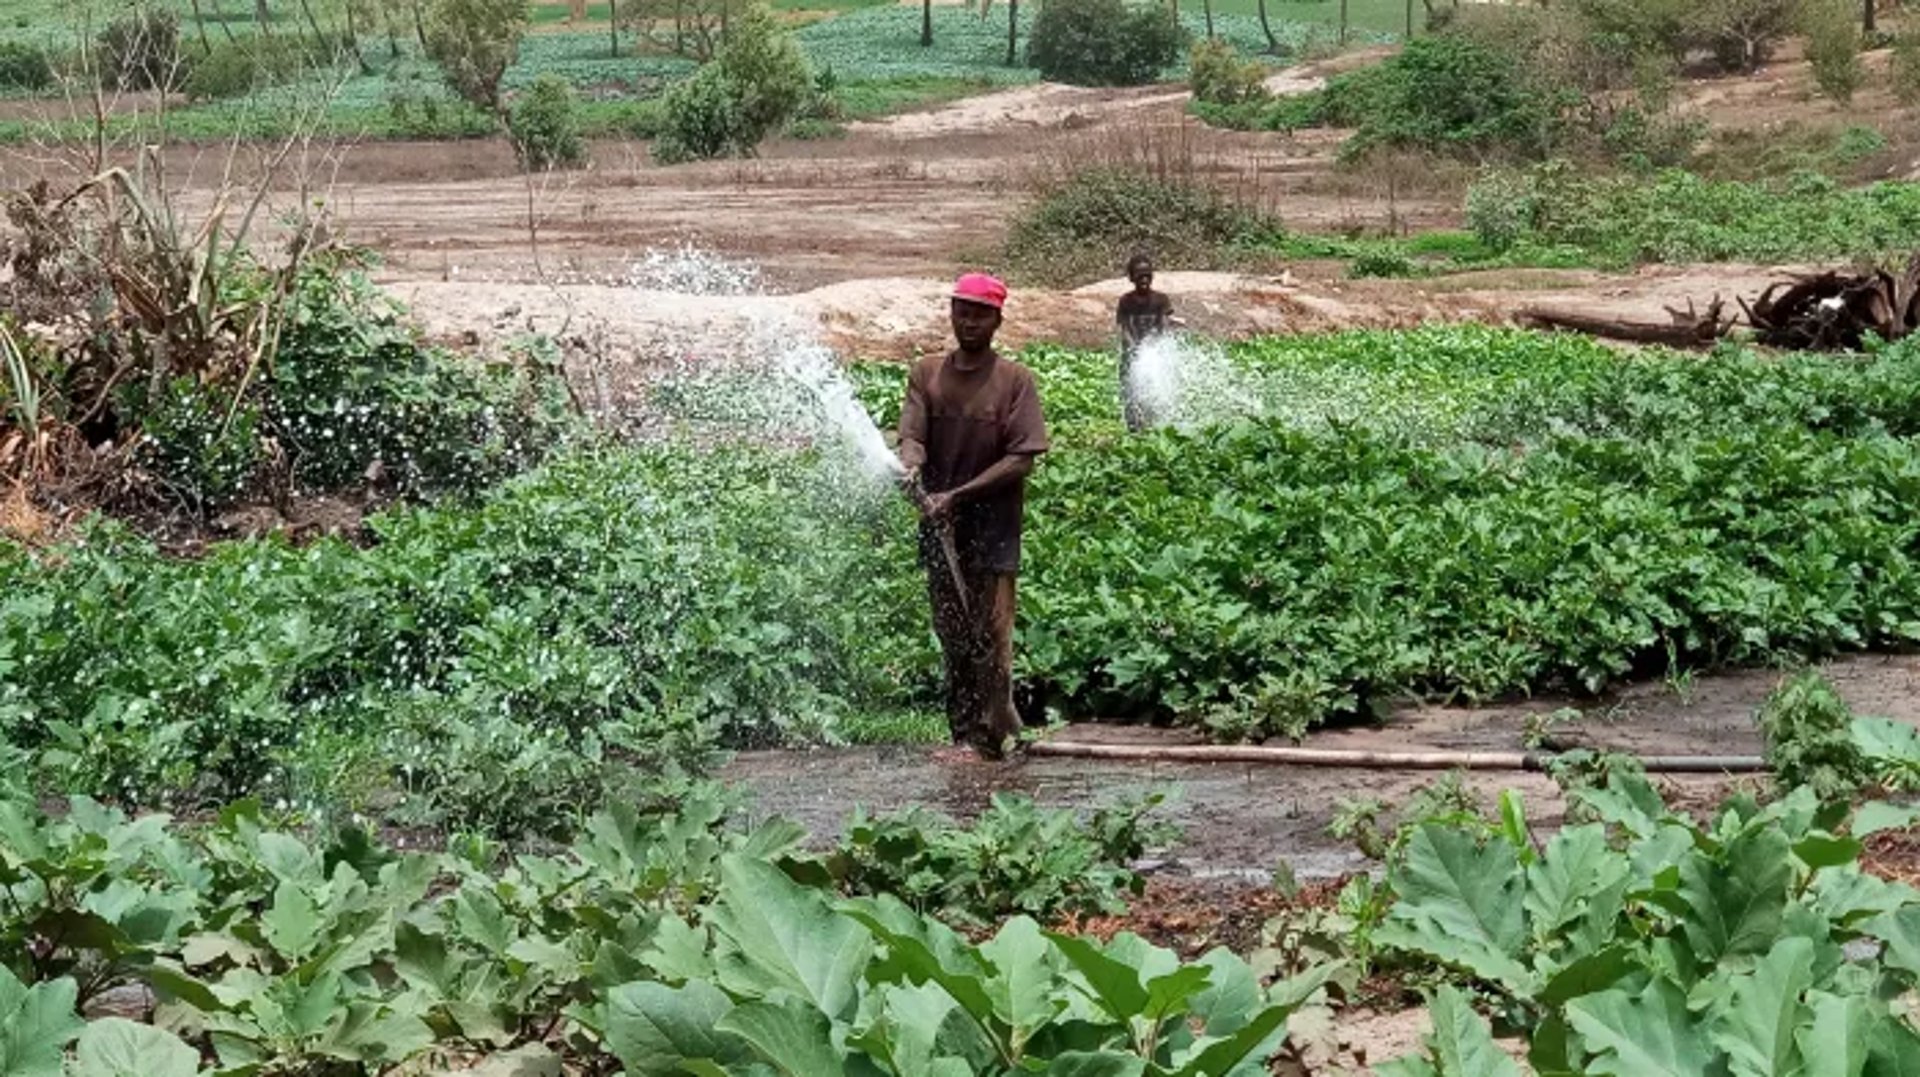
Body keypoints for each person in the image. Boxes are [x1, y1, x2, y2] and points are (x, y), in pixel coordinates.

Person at [898, 273, 1051, 759]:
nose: (969, 321)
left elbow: (1022, 458)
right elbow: (913, 437)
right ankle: (962, 734)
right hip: (942, 529)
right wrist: (910, 465)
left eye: (980, 313)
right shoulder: (926, 374)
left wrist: (958, 496)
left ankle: (991, 737)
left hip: (993, 530)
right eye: (962, 310)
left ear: (997, 321)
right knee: (953, 636)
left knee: (991, 635)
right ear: (951, 313)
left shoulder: (1014, 381)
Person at [1115, 253, 1175, 432]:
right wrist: (1134, 348)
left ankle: (1157, 427)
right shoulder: (1125, 301)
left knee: (1156, 392)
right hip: (1132, 354)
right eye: (1140, 275)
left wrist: (1153, 347)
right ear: (1131, 277)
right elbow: (1124, 328)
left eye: (1148, 274)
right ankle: (1134, 429)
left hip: (1154, 353)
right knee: (1131, 394)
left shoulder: (1160, 299)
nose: (1144, 279)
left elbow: (1164, 327)